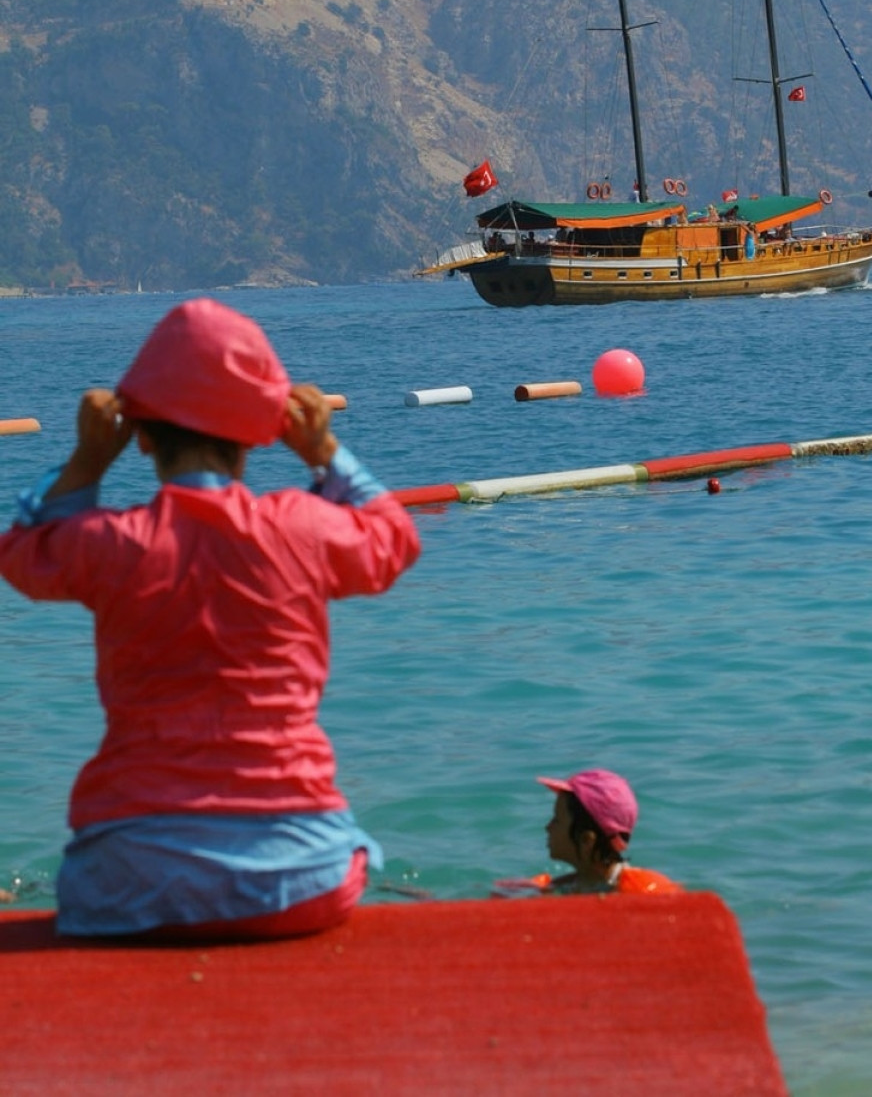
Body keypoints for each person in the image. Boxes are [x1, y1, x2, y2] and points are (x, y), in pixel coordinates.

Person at [0, 297, 420, 942]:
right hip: (299, 879)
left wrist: (87, 462)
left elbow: (21, 554)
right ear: (258, 435)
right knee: (357, 854)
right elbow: (394, 538)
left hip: (125, 885)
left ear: (140, 436)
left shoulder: (110, 543)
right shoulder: (301, 528)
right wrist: (323, 450)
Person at [495, 769, 683, 897]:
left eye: (557, 820)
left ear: (586, 840)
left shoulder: (643, 889)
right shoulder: (565, 886)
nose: (548, 827)